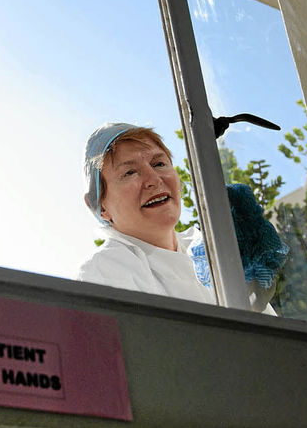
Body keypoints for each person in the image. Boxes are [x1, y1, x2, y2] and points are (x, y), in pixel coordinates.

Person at [77, 122, 287, 311]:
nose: (154, 179)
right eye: (129, 172)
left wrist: (253, 304)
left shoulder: (206, 252)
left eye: (159, 164)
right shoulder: (103, 270)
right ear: (100, 206)